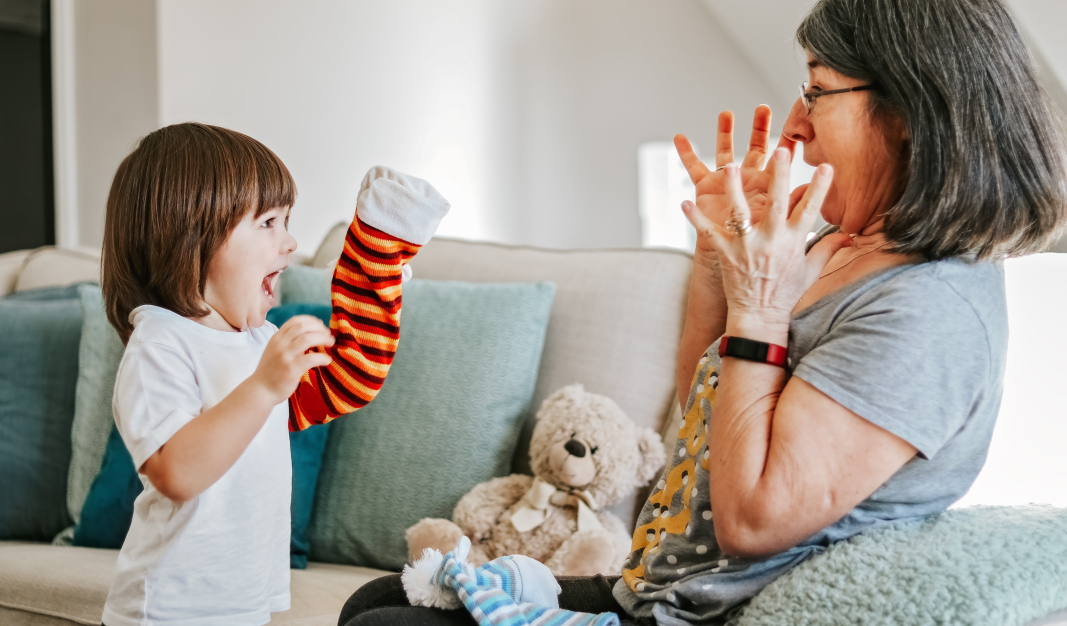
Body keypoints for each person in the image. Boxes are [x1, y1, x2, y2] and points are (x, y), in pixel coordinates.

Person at [338, 0, 1067, 624]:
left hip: (705, 613)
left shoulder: (930, 308)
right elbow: (704, 410)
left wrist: (758, 301)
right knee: (377, 599)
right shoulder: (835, 243)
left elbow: (752, 517)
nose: (793, 125)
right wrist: (717, 259)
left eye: (815, 92)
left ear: (909, 111)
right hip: (655, 591)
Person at [98, 123, 449, 625]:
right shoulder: (160, 343)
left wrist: (375, 272)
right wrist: (263, 387)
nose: (290, 243)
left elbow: (348, 381)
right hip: (170, 608)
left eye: (288, 222)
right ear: (188, 236)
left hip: (244, 603)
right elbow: (175, 472)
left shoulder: (257, 341)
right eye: (268, 223)